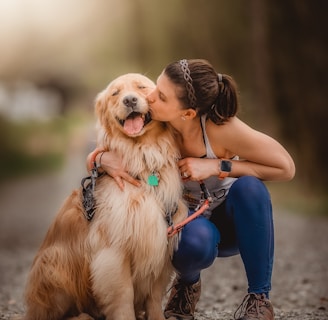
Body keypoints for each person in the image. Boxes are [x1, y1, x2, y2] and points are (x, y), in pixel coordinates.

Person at [87, 59, 295, 320]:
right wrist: (99, 159)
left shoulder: (220, 128)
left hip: (232, 222)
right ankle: (187, 285)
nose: (148, 98)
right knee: (193, 243)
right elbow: (112, 149)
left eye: (159, 96)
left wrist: (217, 165)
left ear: (187, 113)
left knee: (251, 188)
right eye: (155, 87)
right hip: (190, 229)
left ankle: (259, 298)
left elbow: (285, 168)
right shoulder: (156, 128)